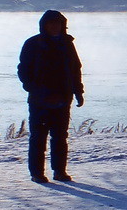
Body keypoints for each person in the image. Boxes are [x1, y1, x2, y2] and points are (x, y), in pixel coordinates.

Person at [18, 10, 85, 184]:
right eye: (51, 23)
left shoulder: (67, 44)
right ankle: (37, 173)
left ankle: (60, 172)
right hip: (40, 100)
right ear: (44, 25)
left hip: (63, 99)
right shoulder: (33, 44)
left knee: (60, 137)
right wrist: (34, 89)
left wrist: (78, 92)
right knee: (38, 137)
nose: (55, 26)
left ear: (63, 25)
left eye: (58, 23)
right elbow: (23, 70)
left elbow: (75, 69)